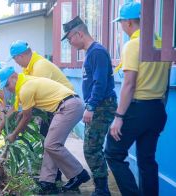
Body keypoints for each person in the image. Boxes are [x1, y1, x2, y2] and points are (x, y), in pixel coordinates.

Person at [105, 2, 171, 196]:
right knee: (147, 160)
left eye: (121, 23)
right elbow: (166, 84)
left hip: (137, 109)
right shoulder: (161, 44)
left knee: (113, 153)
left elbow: (129, 84)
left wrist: (118, 116)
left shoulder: (133, 45)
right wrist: (159, 108)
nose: (122, 27)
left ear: (128, 23)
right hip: (157, 110)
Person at [0, 66, 90, 194]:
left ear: (14, 77)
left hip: (68, 106)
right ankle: (47, 182)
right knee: (50, 144)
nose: (8, 88)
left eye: (7, 85)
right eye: (5, 87)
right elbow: (15, 110)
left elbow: (27, 116)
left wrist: (14, 134)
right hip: (66, 106)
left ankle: (79, 173)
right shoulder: (23, 84)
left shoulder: (25, 88)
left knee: (51, 144)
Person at [62, 16, 117, 196]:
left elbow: (100, 83)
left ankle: (102, 191)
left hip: (101, 105)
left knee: (92, 148)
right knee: (92, 148)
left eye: (70, 39)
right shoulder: (92, 52)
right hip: (97, 105)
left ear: (79, 33)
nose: (70, 43)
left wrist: (91, 107)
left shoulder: (97, 52)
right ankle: (101, 188)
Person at [9, 40, 75, 181]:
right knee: (48, 139)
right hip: (55, 106)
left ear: (20, 56)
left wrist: (24, 116)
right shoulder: (29, 68)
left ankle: (61, 176)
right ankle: (51, 178)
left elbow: (41, 93)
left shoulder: (39, 67)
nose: (16, 63)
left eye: (15, 59)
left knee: (52, 142)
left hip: (63, 105)